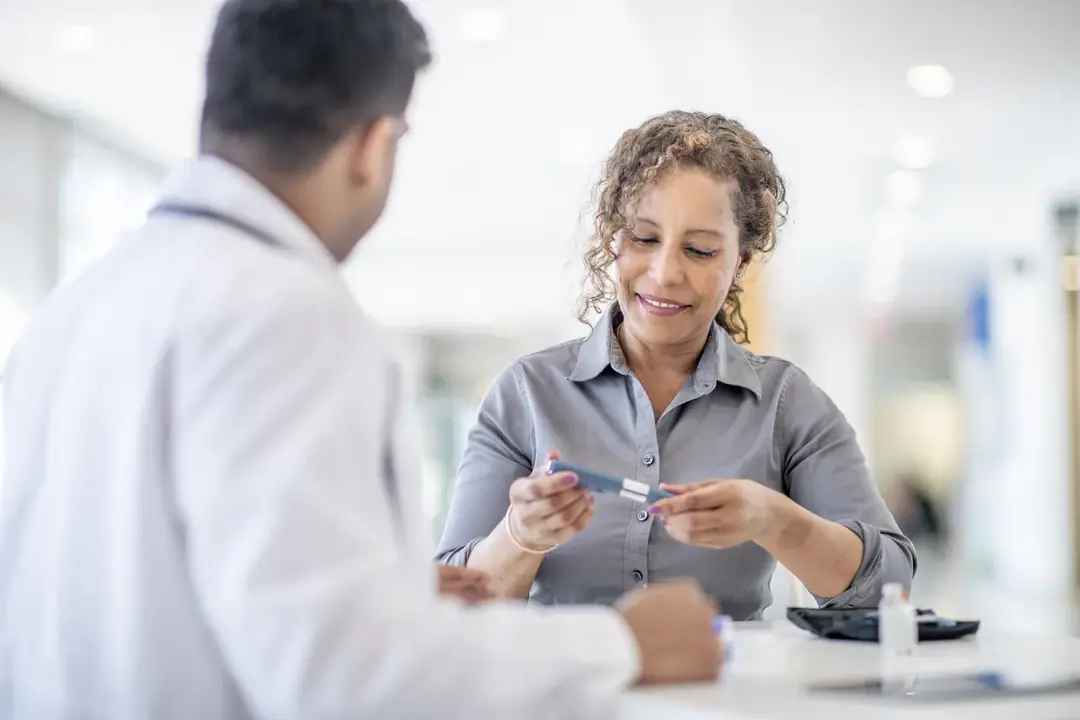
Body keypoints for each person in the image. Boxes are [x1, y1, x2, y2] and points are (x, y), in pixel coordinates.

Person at [0, 3, 722, 719]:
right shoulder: (287, 311)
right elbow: (345, 677)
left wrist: (386, 595)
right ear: (375, 144)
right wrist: (621, 644)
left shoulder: (76, 308)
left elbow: (146, 588)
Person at [437, 111, 916, 619]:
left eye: (700, 249)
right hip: (570, 694)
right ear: (613, 240)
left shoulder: (786, 404)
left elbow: (889, 589)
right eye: (644, 239)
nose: (665, 273)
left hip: (722, 696)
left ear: (741, 263)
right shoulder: (527, 393)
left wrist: (774, 520)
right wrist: (519, 537)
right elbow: (451, 599)